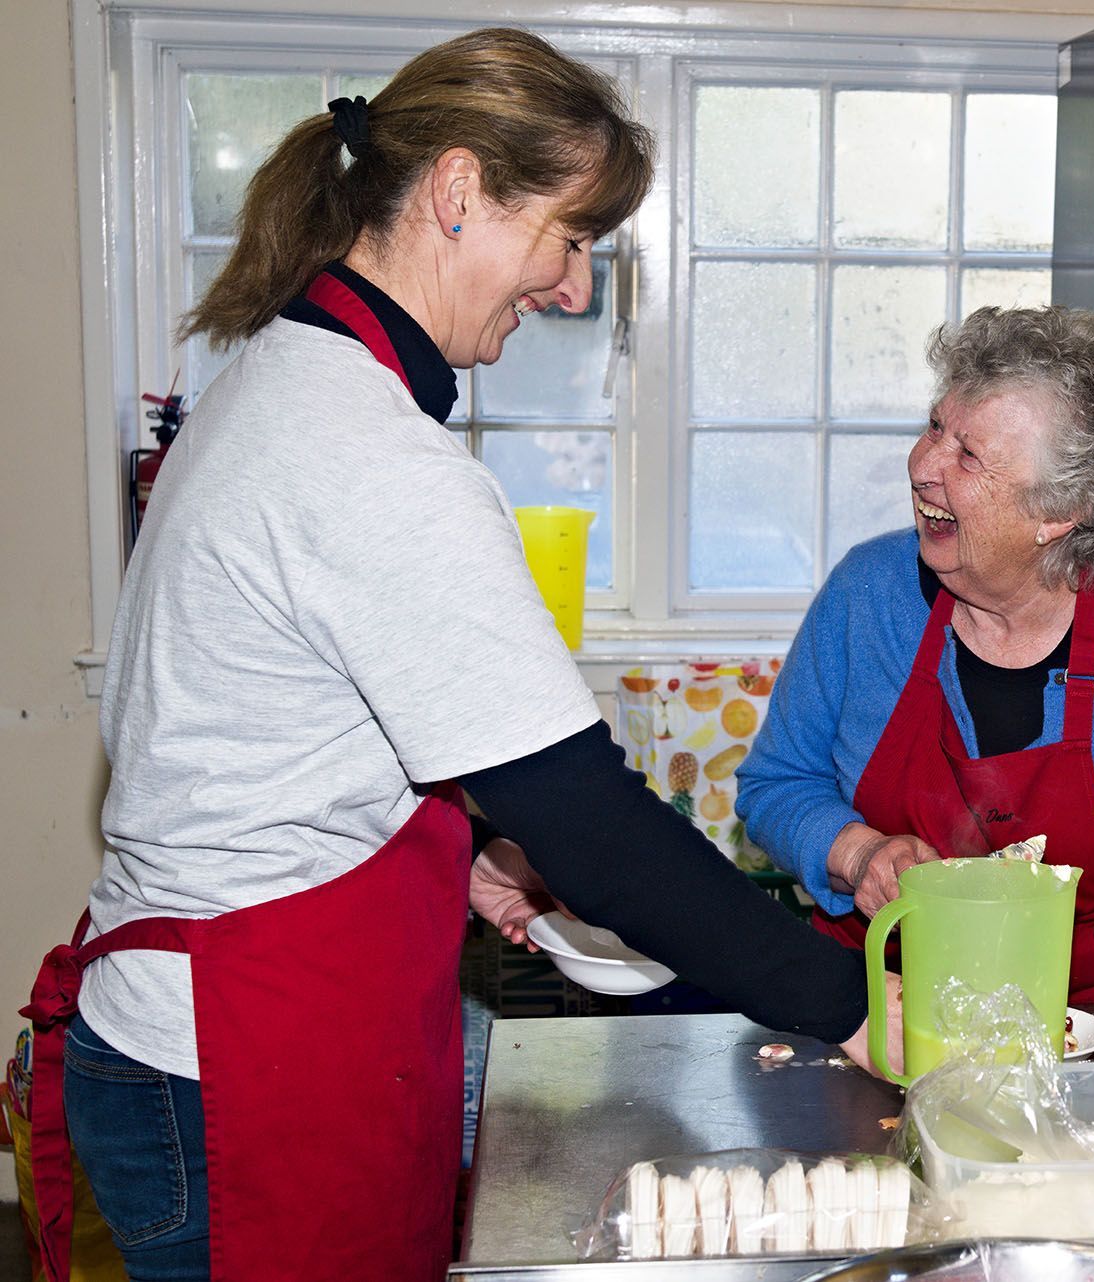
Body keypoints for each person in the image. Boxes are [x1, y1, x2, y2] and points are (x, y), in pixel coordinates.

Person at [19, 29, 895, 1282]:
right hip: (247, 1062)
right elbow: (589, 818)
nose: (575, 289)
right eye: (572, 237)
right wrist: (847, 1004)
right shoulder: (374, 456)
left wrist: (465, 850)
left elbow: (289, 721)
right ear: (458, 190)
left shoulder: (281, 381)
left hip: (212, 1028)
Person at [736, 305, 1094, 1003]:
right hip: (870, 1006)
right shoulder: (868, 597)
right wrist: (856, 853)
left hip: (1085, 1028)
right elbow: (776, 783)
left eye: (967, 455)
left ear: (1060, 512)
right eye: (934, 427)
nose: (921, 466)